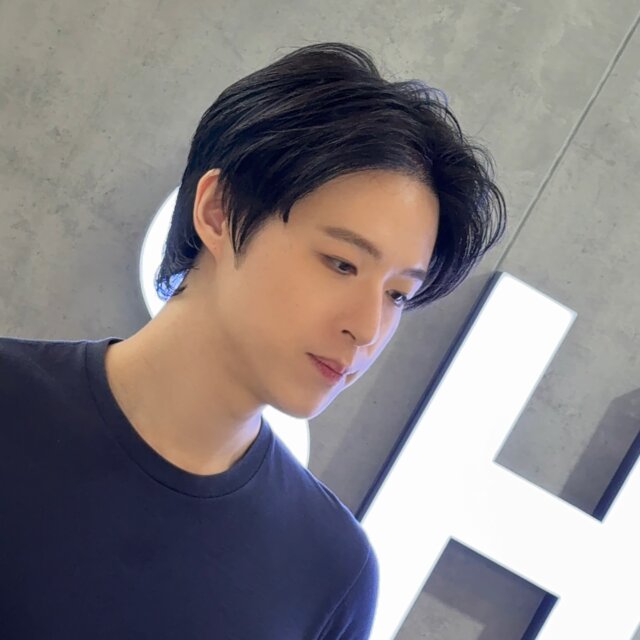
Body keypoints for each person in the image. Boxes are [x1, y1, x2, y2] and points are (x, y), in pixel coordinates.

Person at [0, 42, 506, 638]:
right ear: (218, 211)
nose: (367, 328)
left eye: (397, 294)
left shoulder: (329, 572)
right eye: (342, 263)